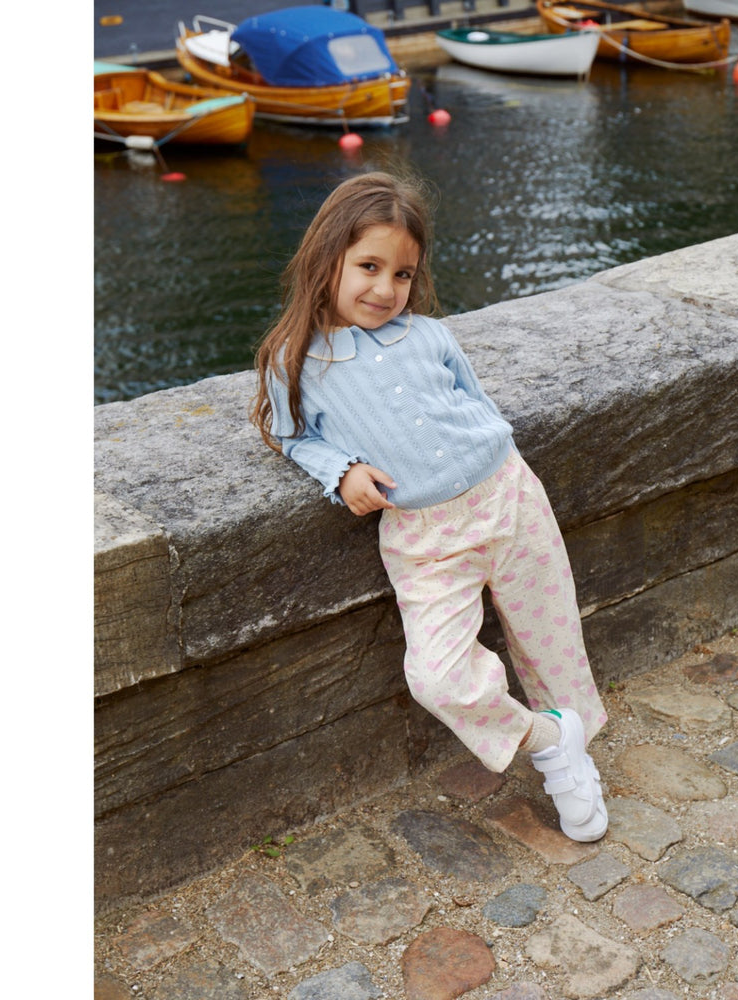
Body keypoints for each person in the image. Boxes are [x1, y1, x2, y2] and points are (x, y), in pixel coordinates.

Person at [250, 171, 609, 841]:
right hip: (424, 536)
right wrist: (341, 471)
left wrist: (500, 459)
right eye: (369, 266)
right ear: (327, 257)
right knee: (437, 676)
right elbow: (291, 435)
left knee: (553, 641)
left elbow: (476, 403)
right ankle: (547, 738)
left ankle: (573, 761)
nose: (386, 289)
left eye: (403, 274)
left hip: (507, 495)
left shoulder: (430, 336)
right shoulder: (293, 361)